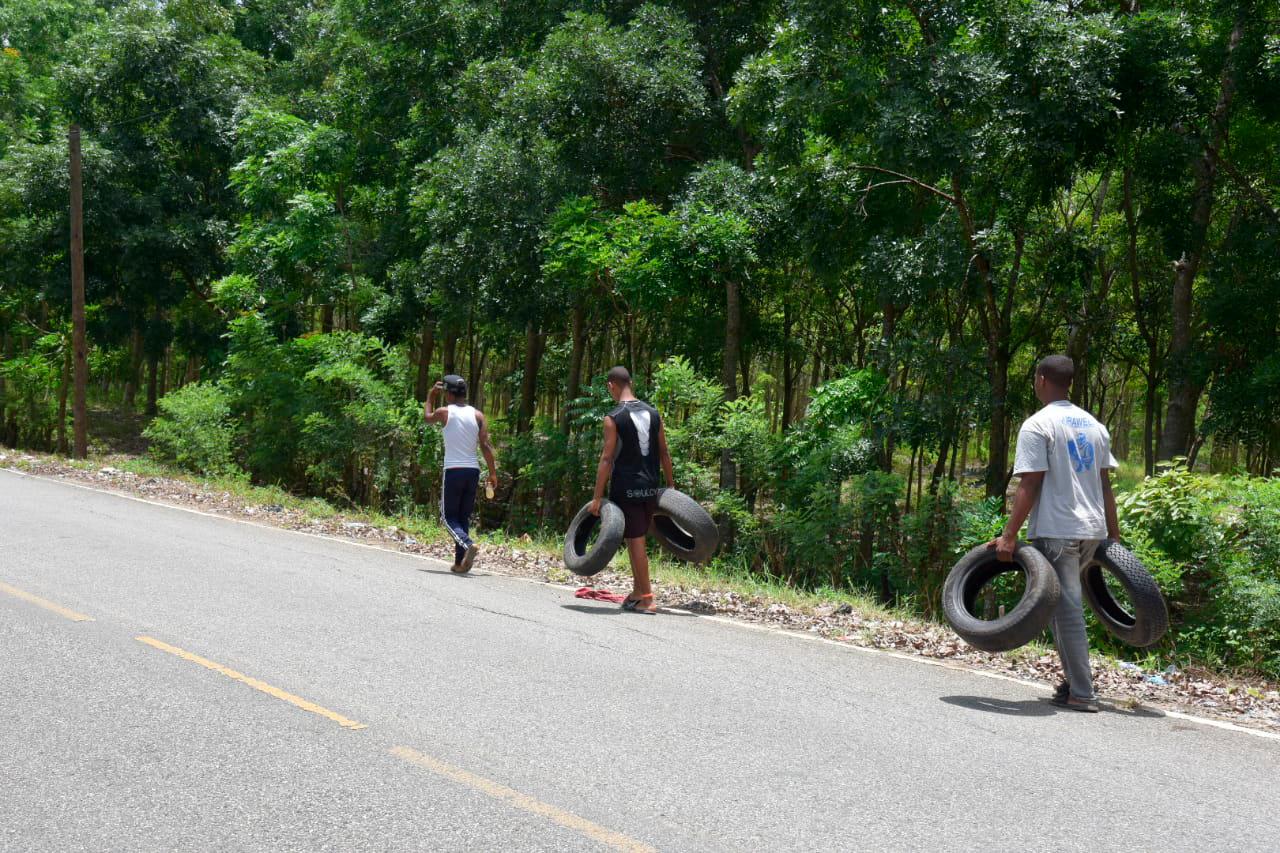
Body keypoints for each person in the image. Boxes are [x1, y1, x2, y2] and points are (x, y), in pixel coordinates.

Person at [989, 355, 1121, 712]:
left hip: (1058, 529)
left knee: (1067, 610)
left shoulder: (1038, 424)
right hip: (1091, 530)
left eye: (1035, 377)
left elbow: (1030, 482)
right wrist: (1114, 534)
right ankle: (1071, 683)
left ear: (1042, 379)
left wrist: (1009, 534)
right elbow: (1105, 485)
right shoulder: (1095, 425)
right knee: (1065, 607)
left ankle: (1082, 692)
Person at [589, 366, 675, 615]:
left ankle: (647, 597)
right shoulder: (654, 413)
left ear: (611, 386)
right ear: (631, 383)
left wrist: (596, 497)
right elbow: (664, 452)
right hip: (650, 487)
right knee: (635, 538)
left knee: (636, 542)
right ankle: (637, 594)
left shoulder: (613, 417)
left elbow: (606, 460)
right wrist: (670, 488)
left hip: (626, 488)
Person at [425, 375, 498, 574]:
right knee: (463, 517)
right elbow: (485, 445)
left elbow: (427, 417)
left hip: (453, 471)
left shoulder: (444, 412)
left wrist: (430, 397)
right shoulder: (478, 415)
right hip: (473, 471)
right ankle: (460, 563)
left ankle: (467, 544)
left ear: (448, 394)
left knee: (448, 518)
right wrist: (492, 473)